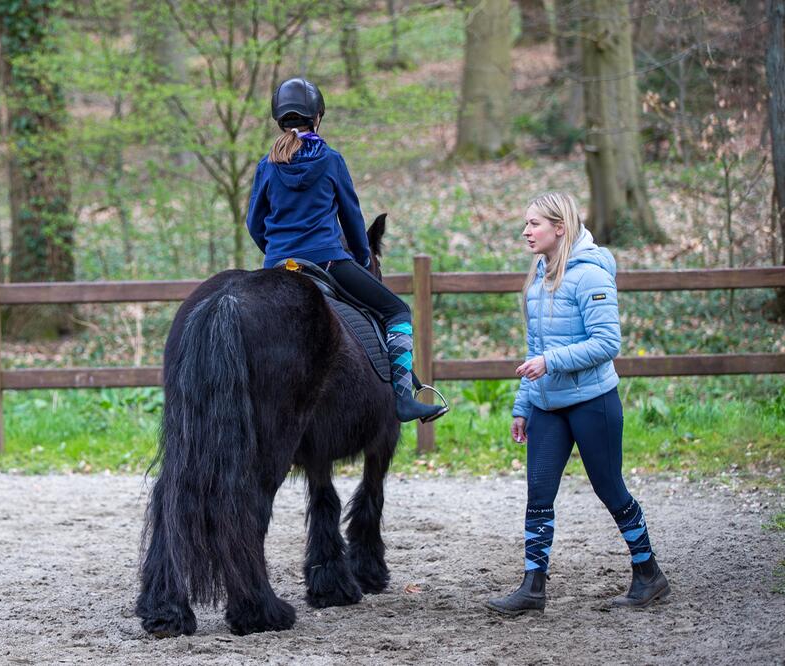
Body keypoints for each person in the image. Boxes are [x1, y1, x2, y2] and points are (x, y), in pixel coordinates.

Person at [486, 191, 670, 616]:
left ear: (560, 228)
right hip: (548, 406)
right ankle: (533, 586)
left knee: (610, 489)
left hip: (593, 403)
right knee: (539, 493)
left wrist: (550, 362)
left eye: (534, 224)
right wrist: (523, 405)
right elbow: (535, 345)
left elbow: (607, 343)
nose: (526, 231)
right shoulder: (539, 272)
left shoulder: (590, 276)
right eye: (526, 223)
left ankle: (648, 573)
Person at [246, 77, 446, 424]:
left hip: (278, 263)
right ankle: (403, 398)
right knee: (397, 311)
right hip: (327, 259)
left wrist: (276, 253)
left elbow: (253, 221)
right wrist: (362, 258)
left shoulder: (268, 165)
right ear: (317, 118)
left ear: (280, 118)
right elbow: (352, 218)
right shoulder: (331, 160)